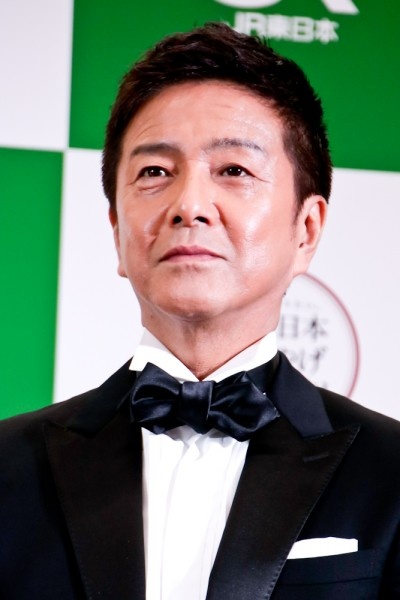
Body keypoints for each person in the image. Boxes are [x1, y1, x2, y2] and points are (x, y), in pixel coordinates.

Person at [0, 22, 399, 600]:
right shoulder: (8, 468)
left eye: (234, 170)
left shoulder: (389, 472)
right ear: (116, 230)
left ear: (307, 229)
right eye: (155, 172)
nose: (189, 205)